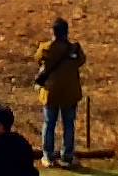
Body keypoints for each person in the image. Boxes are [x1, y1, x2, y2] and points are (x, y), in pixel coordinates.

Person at [35, 17, 86, 169]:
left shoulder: (45, 48)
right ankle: (67, 156)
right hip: (70, 92)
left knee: (49, 124)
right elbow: (81, 61)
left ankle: (48, 156)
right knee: (68, 124)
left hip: (51, 93)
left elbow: (37, 58)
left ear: (53, 32)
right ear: (67, 32)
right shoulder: (75, 49)